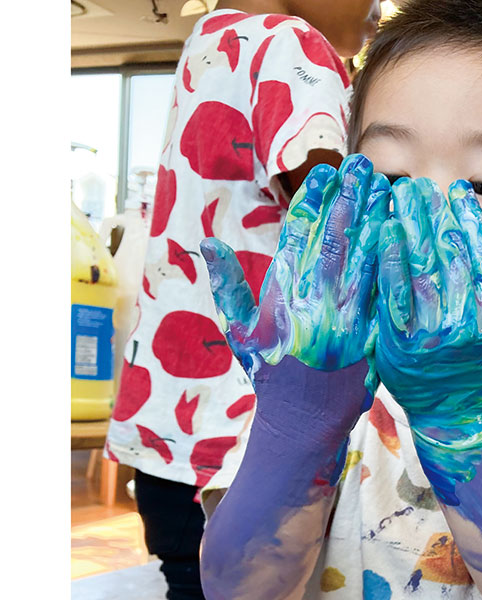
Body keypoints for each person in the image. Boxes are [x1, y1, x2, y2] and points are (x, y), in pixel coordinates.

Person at [199, 0, 482, 598]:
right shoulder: (301, 395)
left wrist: (458, 420)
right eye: (390, 177)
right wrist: (297, 428)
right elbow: (239, 589)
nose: (427, 210)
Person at [102, 2, 382, 598]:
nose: (380, 8)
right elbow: (341, 224)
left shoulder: (208, 40)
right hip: (248, 433)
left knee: (188, 581)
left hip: (174, 415)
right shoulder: (293, 43)